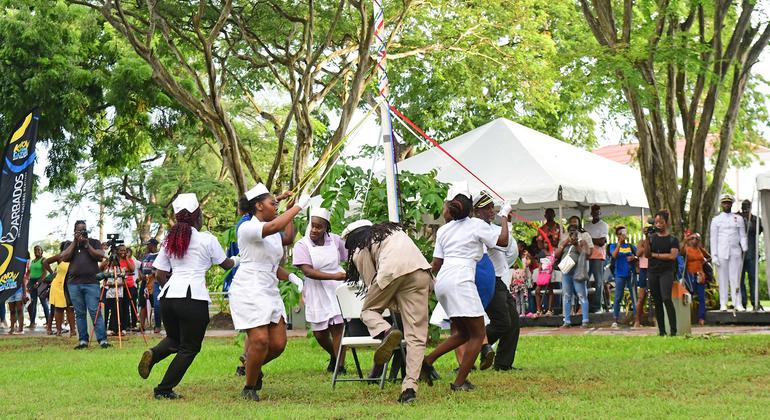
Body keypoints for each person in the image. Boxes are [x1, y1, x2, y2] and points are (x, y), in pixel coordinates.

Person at [137, 193, 240, 400]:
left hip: (168, 297)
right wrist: (239, 259)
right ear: (197, 216)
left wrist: (172, 292)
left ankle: (154, 354)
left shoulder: (169, 240)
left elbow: (159, 274)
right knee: (190, 347)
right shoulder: (207, 239)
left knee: (175, 339)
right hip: (193, 298)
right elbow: (226, 264)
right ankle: (163, 389)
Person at [422, 182, 510, 392]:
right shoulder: (476, 225)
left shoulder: (444, 230)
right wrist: (504, 216)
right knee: (478, 335)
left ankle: (427, 361)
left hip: (443, 281)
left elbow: (436, 264)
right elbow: (503, 241)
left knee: (462, 333)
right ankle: (459, 382)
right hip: (461, 280)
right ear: (471, 207)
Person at [229, 183, 307, 401]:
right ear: (259, 206)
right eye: (273, 203)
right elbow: (274, 227)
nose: (276, 206)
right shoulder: (248, 228)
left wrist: (291, 277)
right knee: (260, 340)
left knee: (278, 344)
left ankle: (252, 365)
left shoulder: (271, 231)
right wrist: (299, 206)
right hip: (249, 288)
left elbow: (286, 240)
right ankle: (249, 387)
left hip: (269, 287)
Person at [342, 219, 433, 404]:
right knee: (416, 336)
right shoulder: (393, 232)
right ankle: (409, 389)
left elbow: (372, 285)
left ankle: (386, 331)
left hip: (391, 271)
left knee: (369, 311)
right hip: (421, 272)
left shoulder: (361, 247)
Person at [292, 207, 348, 374]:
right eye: (312, 225)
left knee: (338, 327)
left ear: (326, 228)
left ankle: (340, 367)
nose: (314, 230)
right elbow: (308, 271)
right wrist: (334, 276)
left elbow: (347, 256)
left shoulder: (335, 241)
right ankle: (334, 355)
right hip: (316, 289)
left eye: (319, 227)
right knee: (320, 333)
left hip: (336, 288)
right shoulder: (302, 245)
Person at [473, 191, 520, 371]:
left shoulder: (490, 227)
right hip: (488, 280)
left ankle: (503, 363)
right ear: (477, 211)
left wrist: (506, 220)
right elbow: (504, 242)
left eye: (492, 207)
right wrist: (504, 217)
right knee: (502, 322)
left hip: (499, 279)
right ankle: (477, 346)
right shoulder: (479, 228)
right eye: (487, 208)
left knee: (513, 321)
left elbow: (509, 245)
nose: (491, 211)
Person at [60, 220, 110, 349]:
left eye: (84, 229)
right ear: (75, 231)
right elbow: (64, 257)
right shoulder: (69, 244)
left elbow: (100, 256)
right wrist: (75, 242)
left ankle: (102, 340)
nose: (82, 232)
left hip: (91, 282)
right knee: (80, 313)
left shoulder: (93, 242)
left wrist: (87, 244)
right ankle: (83, 341)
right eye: (79, 230)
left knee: (95, 311)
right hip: (74, 283)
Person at [709, 194, 748, 311]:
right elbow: (713, 239)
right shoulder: (716, 220)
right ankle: (723, 303)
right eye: (725, 203)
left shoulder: (738, 219)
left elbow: (742, 235)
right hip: (722, 252)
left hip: (735, 252)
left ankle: (738, 303)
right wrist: (714, 255)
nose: (727, 205)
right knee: (723, 279)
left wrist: (744, 245)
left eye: (729, 203)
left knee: (736, 278)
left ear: (731, 204)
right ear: (721, 204)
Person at [645, 210, 679, 336]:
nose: (658, 224)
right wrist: (646, 238)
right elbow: (647, 254)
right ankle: (662, 331)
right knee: (657, 301)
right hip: (653, 271)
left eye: (661, 222)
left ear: (666, 222)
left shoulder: (673, 239)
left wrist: (656, 255)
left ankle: (673, 330)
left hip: (666, 271)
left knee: (666, 298)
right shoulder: (652, 238)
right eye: (656, 222)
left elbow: (672, 256)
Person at [558, 224, 590, 328]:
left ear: (578, 231)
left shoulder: (582, 242)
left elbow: (586, 254)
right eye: (570, 231)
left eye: (574, 231)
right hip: (566, 272)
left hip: (578, 272)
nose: (572, 233)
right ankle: (567, 321)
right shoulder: (564, 242)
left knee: (582, 295)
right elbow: (557, 254)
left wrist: (576, 245)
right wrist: (565, 243)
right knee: (567, 295)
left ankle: (585, 320)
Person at [44, 242, 77, 337]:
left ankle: (73, 330)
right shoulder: (60, 257)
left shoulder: (75, 258)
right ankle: (58, 331)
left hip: (69, 285)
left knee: (70, 308)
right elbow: (45, 262)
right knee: (59, 308)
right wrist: (52, 273)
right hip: (58, 285)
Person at [609, 226, 637, 328]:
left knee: (634, 296)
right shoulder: (613, 246)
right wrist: (619, 243)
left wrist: (634, 257)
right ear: (617, 235)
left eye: (624, 233)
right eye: (621, 233)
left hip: (631, 274)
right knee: (618, 296)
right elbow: (614, 255)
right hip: (619, 274)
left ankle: (636, 319)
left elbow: (638, 255)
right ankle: (615, 319)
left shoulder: (630, 246)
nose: (623, 235)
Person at [681, 233, 711, 326]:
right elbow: (680, 251)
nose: (695, 240)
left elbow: (709, 257)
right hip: (690, 276)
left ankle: (701, 318)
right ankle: (687, 318)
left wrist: (704, 263)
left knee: (702, 297)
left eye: (697, 238)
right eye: (693, 238)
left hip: (700, 275)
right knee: (688, 296)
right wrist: (686, 239)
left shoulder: (700, 249)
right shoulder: (687, 249)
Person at [739, 200, 763, 311]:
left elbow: (757, 230)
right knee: (740, 280)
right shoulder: (737, 218)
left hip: (752, 254)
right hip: (739, 255)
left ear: (751, 207)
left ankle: (755, 302)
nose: (745, 209)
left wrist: (748, 220)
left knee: (753, 279)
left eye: (747, 207)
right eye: (744, 207)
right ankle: (742, 302)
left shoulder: (756, 220)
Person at [584, 205, 609, 312]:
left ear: (600, 213)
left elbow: (601, 242)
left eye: (597, 212)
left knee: (598, 282)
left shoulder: (604, 225)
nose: (595, 214)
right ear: (591, 213)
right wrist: (594, 240)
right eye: (594, 212)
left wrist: (589, 238)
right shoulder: (586, 226)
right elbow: (583, 240)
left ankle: (597, 306)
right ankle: (584, 305)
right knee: (584, 281)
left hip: (598, 257)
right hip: (587, 256)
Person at [138, 239, 162, 333]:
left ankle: (157, 325)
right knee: (143, 304)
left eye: (148, 245)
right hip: (144, 282)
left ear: (153, 245)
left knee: (156, 304)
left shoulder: (160, 255)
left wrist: (152, 275)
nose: (147, 246)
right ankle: (141, 326)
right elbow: (140, 269)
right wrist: (141, 275)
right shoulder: (145, 256)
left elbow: (161, 269)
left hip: (154, 282)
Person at [27, 245, 51, 331]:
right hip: (32, 282)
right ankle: (32, 323)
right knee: (33, 302)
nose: (37, 251)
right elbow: (30, 272)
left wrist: (38, 282)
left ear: (41, 251)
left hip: (40, 281)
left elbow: (45, 273)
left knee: (43, 302)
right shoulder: (33, 261)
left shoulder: (43, 260)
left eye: (38, 250)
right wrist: (27, 281)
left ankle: (48, 322)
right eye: (35, 250)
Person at [6, 255, 28, 335]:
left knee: (19, 310)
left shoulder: (19, 268)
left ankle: (21, 329)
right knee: (12, 311)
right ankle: (12, 328)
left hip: (19, 291)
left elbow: (23, 281)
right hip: (9, 291)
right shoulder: (6, 268)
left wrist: (24, 294)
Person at [634, 235, 650, 328]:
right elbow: (638, 254)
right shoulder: (642, 242)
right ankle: (637, 320)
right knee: (641, 297)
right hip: (644, 269)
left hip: (653, 268)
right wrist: (645, 245)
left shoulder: (656, 241)